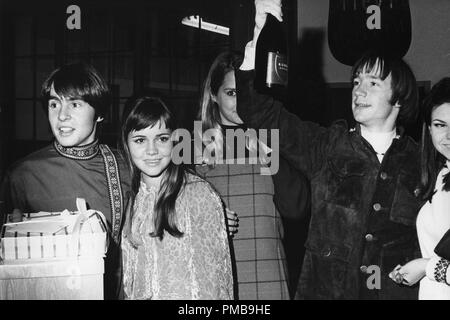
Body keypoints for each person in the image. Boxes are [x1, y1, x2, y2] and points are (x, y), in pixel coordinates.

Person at [234, 0, 423, 299]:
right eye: (357, 81)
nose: (359, 90)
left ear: (399, 98)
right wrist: (261, 30)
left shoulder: (422, 161)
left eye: (373, 83)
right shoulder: (327, 146)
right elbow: (257, 110)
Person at [0, 62, 131, 299]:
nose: (61, 115)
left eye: (75, 104)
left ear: (100, 113)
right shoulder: (22, 175)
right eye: (54, 104)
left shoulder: (124, 167)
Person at [195, 51, 310, 299]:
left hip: (267, 279)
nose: (241, 102)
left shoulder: (276, 140)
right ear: (213, 95)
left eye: (247, 93)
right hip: (211, 281)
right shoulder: (194, 150)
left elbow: (296, 208)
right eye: (231, 93)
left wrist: (269, 152)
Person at [120, 96, 233, 300]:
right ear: (126, 144)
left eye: (162, 138)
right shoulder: (131, 201)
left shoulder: (198, 194)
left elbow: (215, 283)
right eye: (140, 140)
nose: (152, 150)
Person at [389, 77, 450, 299]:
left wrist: (425, 267)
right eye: (440, 125)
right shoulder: (440, 175)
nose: (449, 136)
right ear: (429, 129)